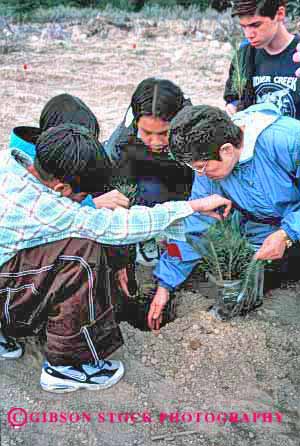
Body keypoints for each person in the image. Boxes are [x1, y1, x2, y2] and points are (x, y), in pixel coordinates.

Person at [0, 123, 231, 392]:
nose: (84, 201)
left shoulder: (10, 162)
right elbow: (119, 227)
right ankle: (67, 367)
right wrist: (194, 206)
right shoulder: (45, 206)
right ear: (62, 187)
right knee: (81, 254)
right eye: (83, 195)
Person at [149, 103, 300, 329]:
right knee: (244, 275)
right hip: (265, 231)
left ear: (227, 150)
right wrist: (165, 284)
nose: (200, 173)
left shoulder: (287, 140)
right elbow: (195, 226)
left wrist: (287, 233)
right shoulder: (208, 169)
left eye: (201, 166)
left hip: (291, 225)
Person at [224, 0, 300, 118]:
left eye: (256, 25)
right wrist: (233, 106)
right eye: (244, 27)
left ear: (279, 14)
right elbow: (233, 97)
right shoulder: (244, 56)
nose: (249, 34)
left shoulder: (298, 54)